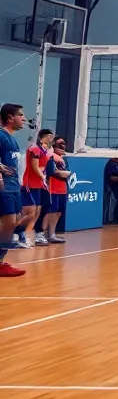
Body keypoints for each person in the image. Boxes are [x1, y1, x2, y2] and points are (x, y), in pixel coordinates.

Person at [0, 103, 27, 277]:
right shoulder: (1, 135)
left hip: (14, 186)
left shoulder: (12, 138)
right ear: (10, 117)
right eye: (21, 115)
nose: (24, 118)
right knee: (9, 222)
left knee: (15, 221)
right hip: (5, 187)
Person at [18, 129, 54, 247]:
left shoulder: (46, 150)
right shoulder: (35, 149)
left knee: (40, 210)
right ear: (42, 137)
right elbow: (35, 167)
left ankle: (34, 234)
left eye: (51, 137)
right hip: (30, 184)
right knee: (29, 213)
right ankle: (16, 233)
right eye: (49, 136)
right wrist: (43, 177)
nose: (51, 139)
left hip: (39, 184)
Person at [41, 136, 70, 244]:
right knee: (50, 211)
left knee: (58, 211)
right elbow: (52, 171)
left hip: (62, 189)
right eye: (60, 144)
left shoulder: (62, 159)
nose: (63, 146)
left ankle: (51, 234)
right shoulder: (50, 156)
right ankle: (41, 234)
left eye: (64, 143)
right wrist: (64, 174)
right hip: (52, 189)